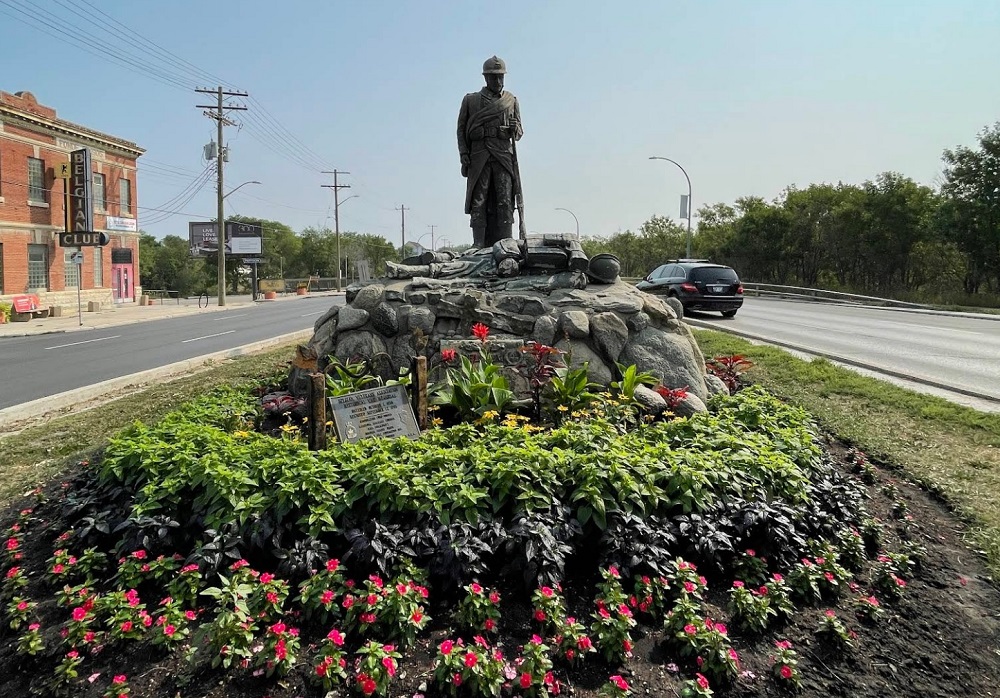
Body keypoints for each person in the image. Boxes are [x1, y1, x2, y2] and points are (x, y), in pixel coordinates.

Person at [457, 56, 523, 248]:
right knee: (479, 200)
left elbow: (519, 133)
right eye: (494, 77)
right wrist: (464, 154)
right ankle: (478, 243)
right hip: (480, 157)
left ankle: (507, 242)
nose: (498, 81)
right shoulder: (471, 100)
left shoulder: (511, 101)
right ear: (485, 78)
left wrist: (514, 128)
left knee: (505, 200)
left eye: (501, 76)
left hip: (503, 156)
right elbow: (461, 129)